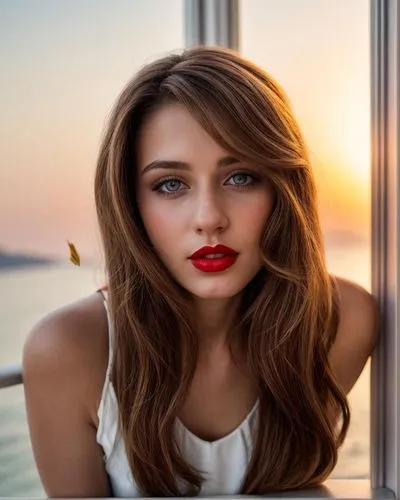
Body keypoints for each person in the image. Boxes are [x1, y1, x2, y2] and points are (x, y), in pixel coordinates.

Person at [22, 45, 379, 498]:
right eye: (170, 184)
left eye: (241, 177)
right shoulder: (70, 351)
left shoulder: (341, 321)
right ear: (132, 205)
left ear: (283, 190)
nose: (209, 217)